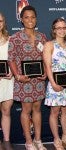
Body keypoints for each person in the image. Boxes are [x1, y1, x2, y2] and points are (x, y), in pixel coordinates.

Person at [8, 5, 47, 150]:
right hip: (23, 80)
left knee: (37, 109)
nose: (30, 20)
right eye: (26, 17)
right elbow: (11, 59)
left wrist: (45, 72)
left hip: (38, 81)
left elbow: (46, 58)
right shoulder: (15, 37)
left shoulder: (42, 37)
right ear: (21, 20)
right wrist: (17, 75)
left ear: (36, 19)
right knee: (26, 110)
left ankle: (38, 140)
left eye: (32, 17)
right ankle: (29, 142)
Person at [43, 18, 66, 150]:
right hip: (54, 84)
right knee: (54, 112)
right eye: (59, 28)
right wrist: (53, 83)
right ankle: (56, 140)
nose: (62, 30)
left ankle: (65, 137)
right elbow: (48, 67)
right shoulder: (49, 45)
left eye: (64, 28)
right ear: (54, 30)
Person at [0, 12, 14, 150]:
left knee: (6, 110)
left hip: (8, 80)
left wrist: (12, 71)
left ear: (4, 23)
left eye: (0, 21)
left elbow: (14, 60)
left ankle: (6, 141)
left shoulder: (10, 39)